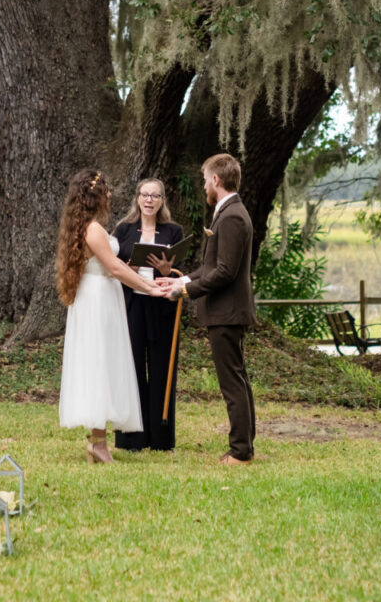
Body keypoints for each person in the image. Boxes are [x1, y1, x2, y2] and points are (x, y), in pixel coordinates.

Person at [56, 169, 171, 463]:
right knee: (100, 367)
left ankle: (98, 440)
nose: (110, 195)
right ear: (96, 196)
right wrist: (152, 290)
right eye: (106, 191)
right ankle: (98, 443)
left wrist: (147, 281)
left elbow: (117, 267)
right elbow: (116, 269)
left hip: (101, 295)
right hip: (98, 301)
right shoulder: (94, 230)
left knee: (103, 366)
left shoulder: (89, 227)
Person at [161, 153, 257, 466]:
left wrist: (186, 291)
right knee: (238, 379)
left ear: (216, 180)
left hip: (226, 312)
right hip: (227, 312)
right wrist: (183, 279)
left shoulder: (230, 216)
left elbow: (225, 271)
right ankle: (245, 446)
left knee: (232, 383)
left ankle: (240, 451)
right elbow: (211, 265)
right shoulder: (229, 212)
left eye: (205, 179)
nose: (204, 185)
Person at [111, 178, 185, 451]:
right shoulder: (124, 229)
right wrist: (125, 267)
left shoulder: (173, 231)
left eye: (155, 195)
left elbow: (181, 271)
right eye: (145, 195)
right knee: (130, 369)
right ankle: (131, 437)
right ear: (138, 198)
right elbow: (113, 265)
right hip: (132, 306)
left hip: (162, 306)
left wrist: (167, 273)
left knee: (162, 369)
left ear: (162, 200)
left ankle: (161, 438)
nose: (150, 200)